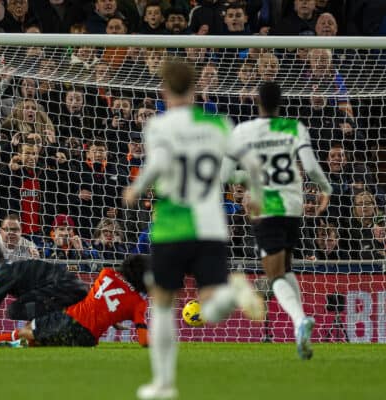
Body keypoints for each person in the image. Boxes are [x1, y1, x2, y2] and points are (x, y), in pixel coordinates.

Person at [123, 59, 265, 400]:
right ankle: (234, 292)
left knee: (162, 303)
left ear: (164, 89)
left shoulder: (158, 125)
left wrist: (137, 187)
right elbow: (251, 164)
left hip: (172, 225)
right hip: (212, 226)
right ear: (195, 88)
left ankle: (163, 384)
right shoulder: (217, 123)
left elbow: (157, 163)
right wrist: (256, 196)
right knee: (212, 305)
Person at [221, 81, 333, 360]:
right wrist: (326, 189)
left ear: (256, 101)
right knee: (285, 267)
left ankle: (299, 321)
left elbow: (224, 176)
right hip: (294, 205)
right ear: (281, 102)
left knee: (274, 275)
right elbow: (309, 167)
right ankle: (300, 323)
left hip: (265, 207)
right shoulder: (295, 127)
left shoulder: (243, 131)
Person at [0, 253, 149, 348]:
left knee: (28, 329)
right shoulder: (139, 304)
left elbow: (97, 299)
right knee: (36, 339)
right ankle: (17, 346)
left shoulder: (106, 274)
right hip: (88, 341)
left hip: (70, 320)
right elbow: (143, 341)